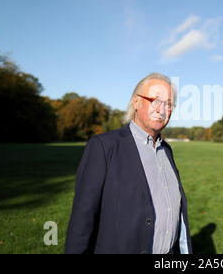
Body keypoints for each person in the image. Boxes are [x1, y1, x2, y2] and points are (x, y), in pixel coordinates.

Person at [65, 73, 192, 254]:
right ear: (136, 102)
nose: (161, 109)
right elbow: (81, 221)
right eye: (155, 100)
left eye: (168, 104)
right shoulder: (103, 147)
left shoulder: (167, 151)